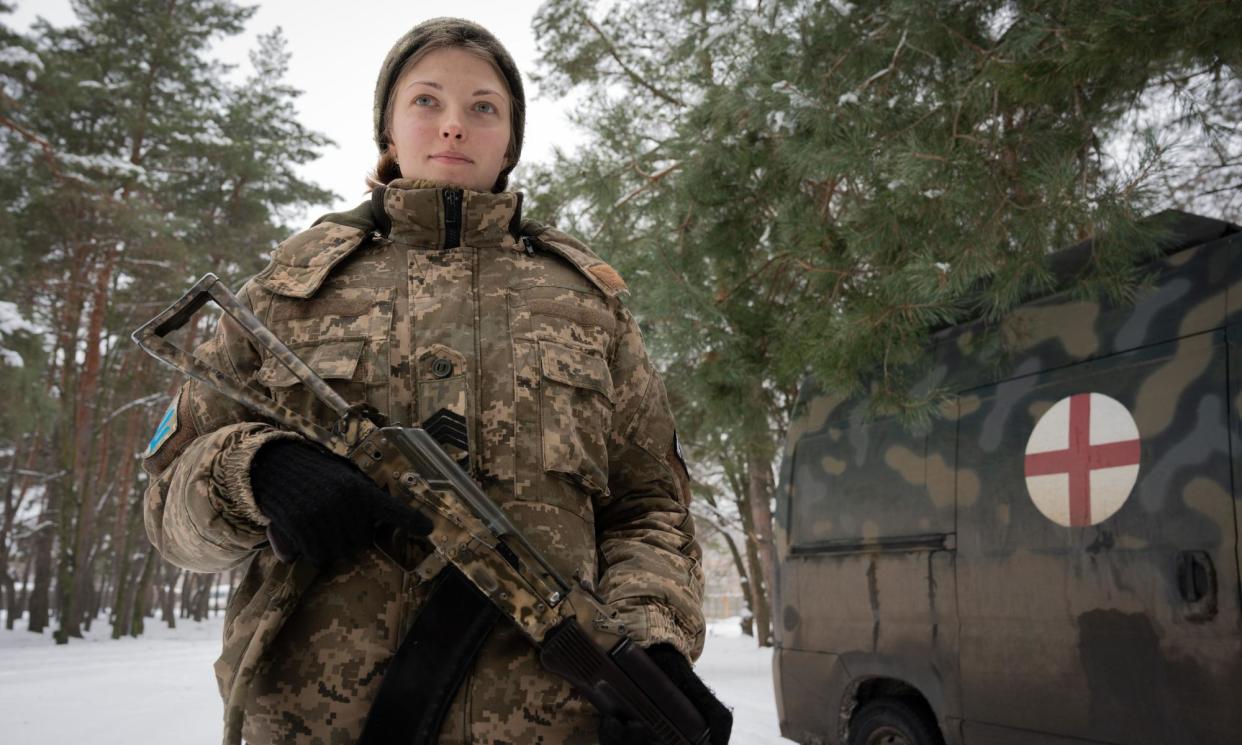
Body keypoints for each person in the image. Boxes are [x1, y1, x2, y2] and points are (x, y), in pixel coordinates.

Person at [141, 16, 731, 745]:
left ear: (510, 140)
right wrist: (255, 471)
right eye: (426, 101)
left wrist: (651, 641)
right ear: (387, 131)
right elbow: (167, 503)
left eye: (483, 106)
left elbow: (647, 505)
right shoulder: (289, 294)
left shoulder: (588, 305)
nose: (454, 125)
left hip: (554, 724)